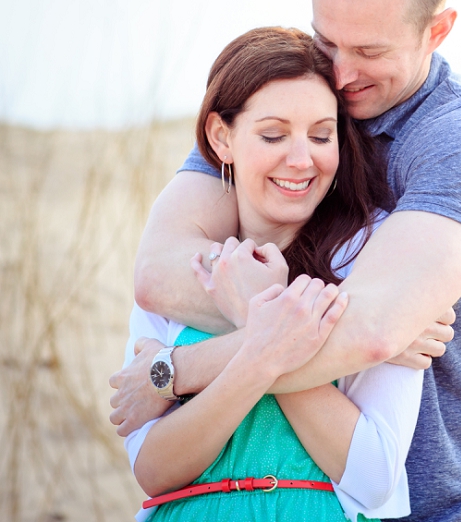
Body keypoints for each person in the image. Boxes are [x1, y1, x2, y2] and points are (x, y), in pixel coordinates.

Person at [109, 0, 461, 519]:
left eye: (369, 51)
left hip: (446, 505)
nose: (339, 72)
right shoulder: (285, 99)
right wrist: (335, 317)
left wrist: (173, 370)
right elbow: (160, 273)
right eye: (327, 39)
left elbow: (375, 333)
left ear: (437, 30)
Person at [122, 26, 423, 521]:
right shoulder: (183, 270)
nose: (302, 160)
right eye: (273, 135)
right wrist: (265, 344)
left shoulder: (375, 255)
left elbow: (373, 477)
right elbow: (153, 470)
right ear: (223, 138)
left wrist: (256, 319)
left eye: (322, 135)